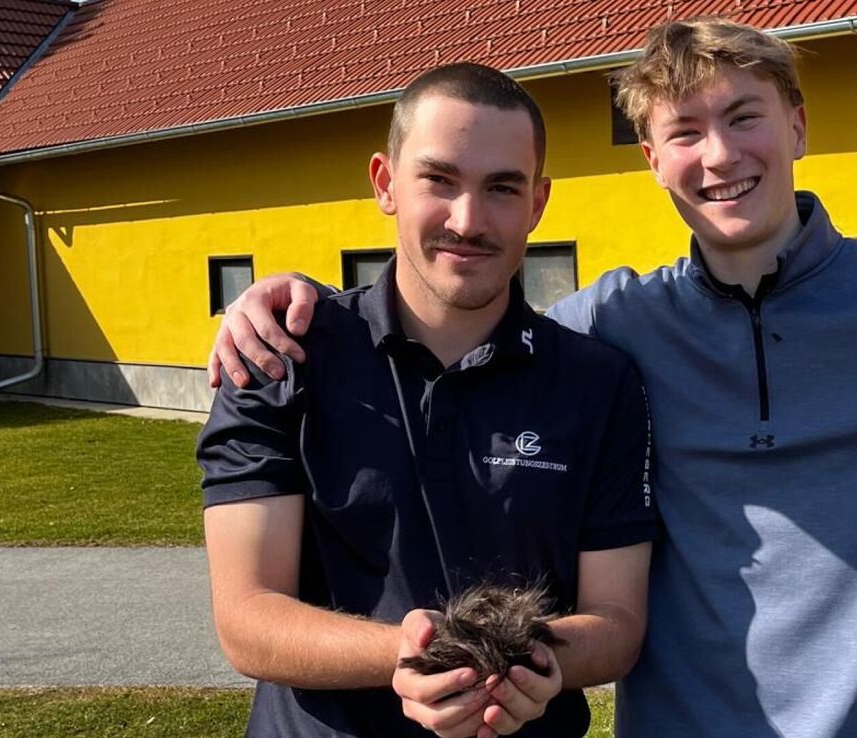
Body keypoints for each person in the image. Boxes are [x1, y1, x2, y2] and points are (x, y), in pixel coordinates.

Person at [208, 20, 857, 738]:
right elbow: (459, 319)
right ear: (653, 162)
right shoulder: (613, 330)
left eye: (743, 117)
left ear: (797, 125)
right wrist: (299, 306)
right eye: (682, 133)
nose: (718, 155)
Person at [196, 62, 655, 738]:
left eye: (502, 187)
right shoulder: (277, 355)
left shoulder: (600, 381)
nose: (468, 220)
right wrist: (409, 656)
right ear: (386, 183)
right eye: (439, 180)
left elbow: (617, 623)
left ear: (538, 203)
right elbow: (246, 619)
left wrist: (542, 666)